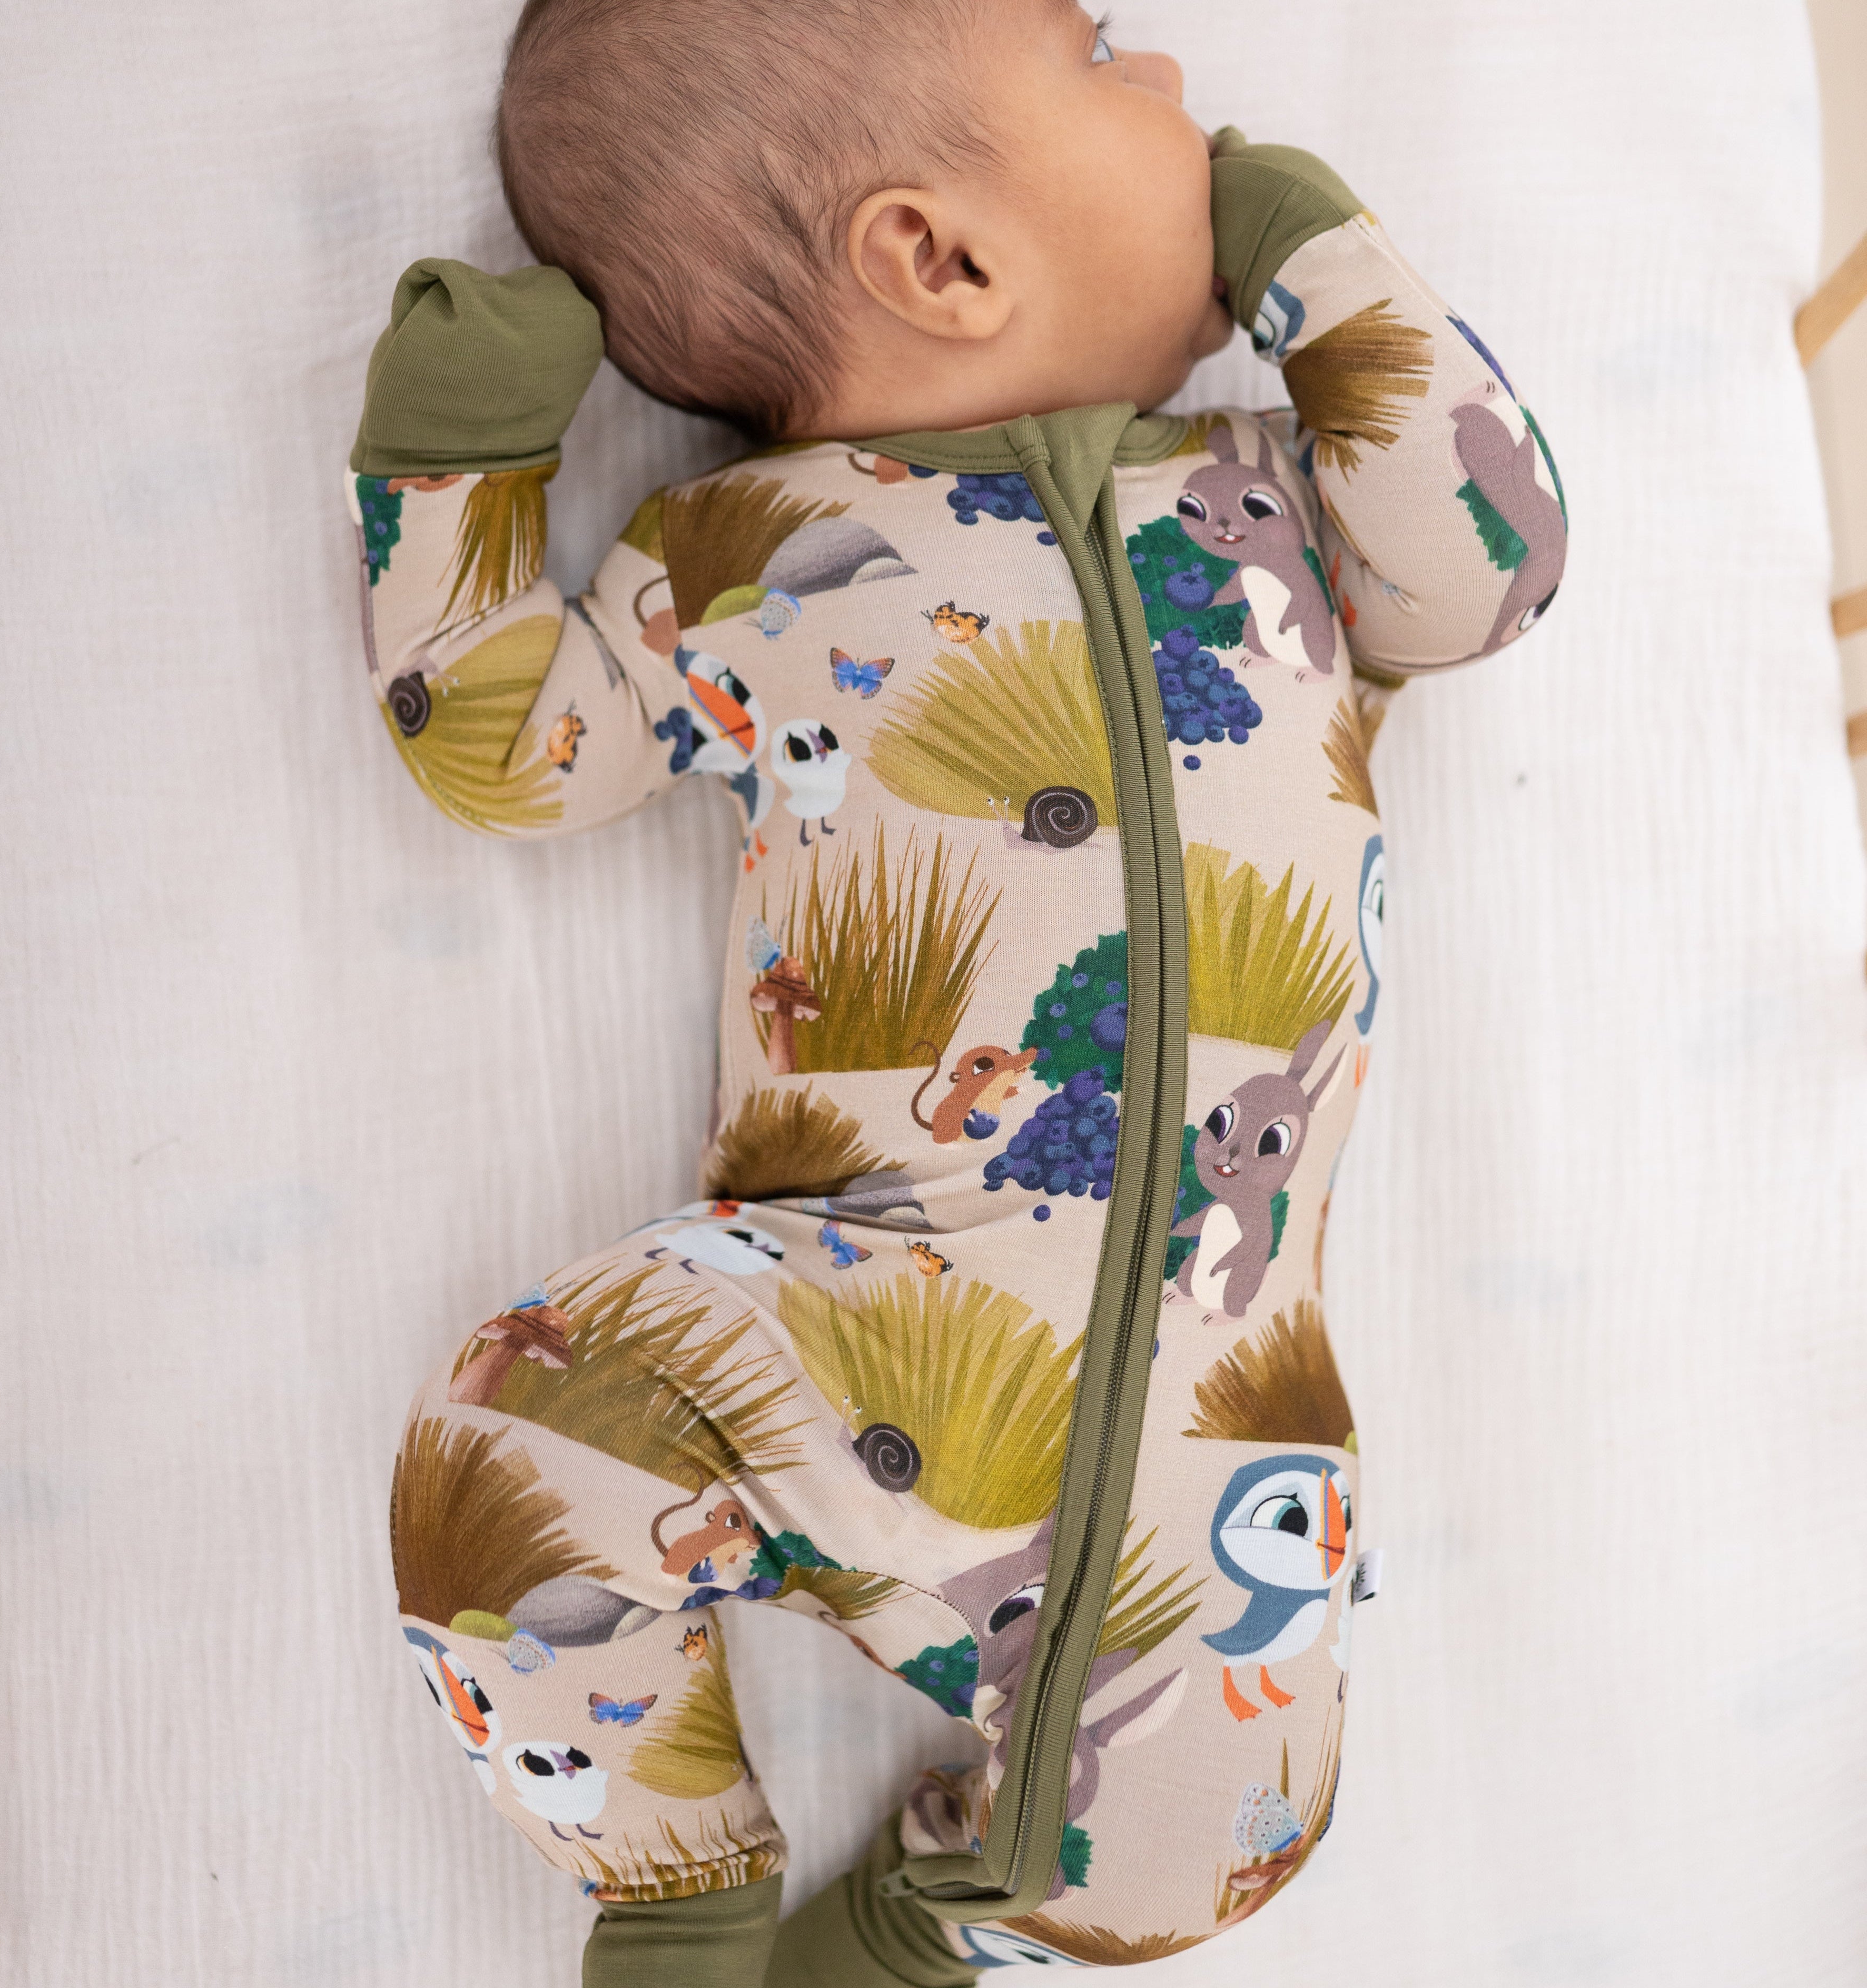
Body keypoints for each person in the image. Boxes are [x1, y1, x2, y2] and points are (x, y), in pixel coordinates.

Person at [353, 4, 1567, 1981]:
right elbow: (507, 745)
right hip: (846, 1297)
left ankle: (921, 1935)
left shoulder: (1279, 506)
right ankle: (676, 1888)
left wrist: (1323, 261)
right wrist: (452, 461)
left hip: (1221, 1390)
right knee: (513, 1452)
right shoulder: (740, 556)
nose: (1179, 86)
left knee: (1220, 1851)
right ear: (940, 256)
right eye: (1106, 57)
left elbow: (1489, 568)